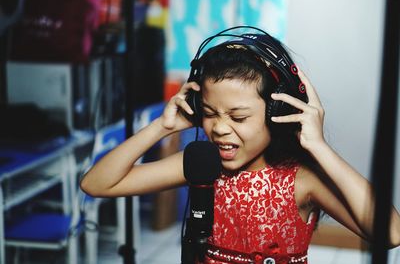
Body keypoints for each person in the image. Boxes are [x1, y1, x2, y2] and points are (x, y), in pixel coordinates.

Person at [80, 27, 400, 264]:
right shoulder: (204, 166)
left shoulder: (301, 181)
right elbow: (96, 184)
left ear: (278, 115)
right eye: (208, 113)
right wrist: (160, 127)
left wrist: (320, 148)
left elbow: (391, 234)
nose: (219, 128)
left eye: (238, 116)